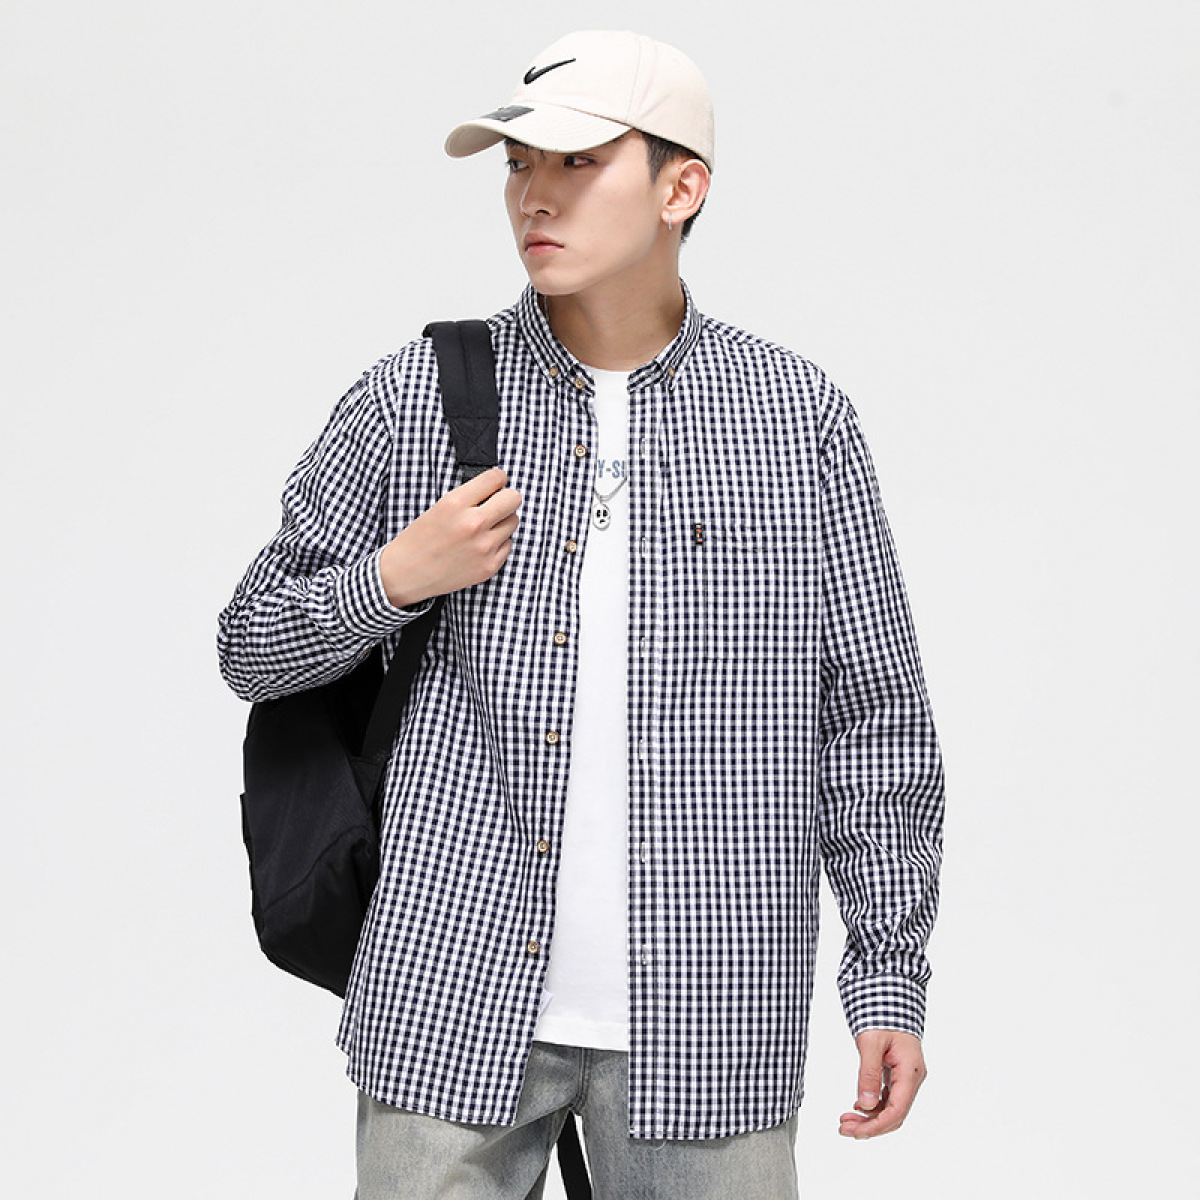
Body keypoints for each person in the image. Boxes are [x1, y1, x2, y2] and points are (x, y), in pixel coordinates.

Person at [218, 29, 944, 1200]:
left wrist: (888, 977)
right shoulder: (415, 398)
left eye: (576, 163)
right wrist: (393, 579)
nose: (533, 197)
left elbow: (874, 724)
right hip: (449, 999)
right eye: (518, 165)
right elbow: (250, 644)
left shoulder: (793, 419)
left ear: (680, 187)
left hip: (711, 1012)